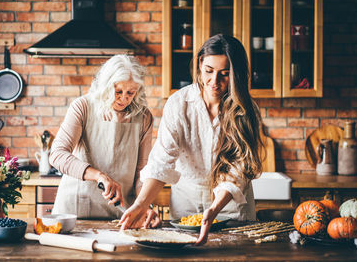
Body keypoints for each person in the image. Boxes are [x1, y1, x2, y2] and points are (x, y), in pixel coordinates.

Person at [119, 34, 263, 244]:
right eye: (209, 71)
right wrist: (141, 205)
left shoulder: (246, 110)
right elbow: (162, 160)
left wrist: (214, 208)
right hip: (187, 202)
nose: (214, 82)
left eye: (225, 74)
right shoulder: (179, 104)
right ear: (199, 65)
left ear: (236, 75)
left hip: (231, 206)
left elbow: (238, 169)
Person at [49, 55, 160, 226]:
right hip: (77, 210)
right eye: (118, 91)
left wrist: (144, 205)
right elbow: (57, 154)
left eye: (131, 93)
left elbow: (141, 172)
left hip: (122, 211)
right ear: (106, 86)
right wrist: (99, 176)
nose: (124, 99)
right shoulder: (83, 107)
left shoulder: (144, 117)